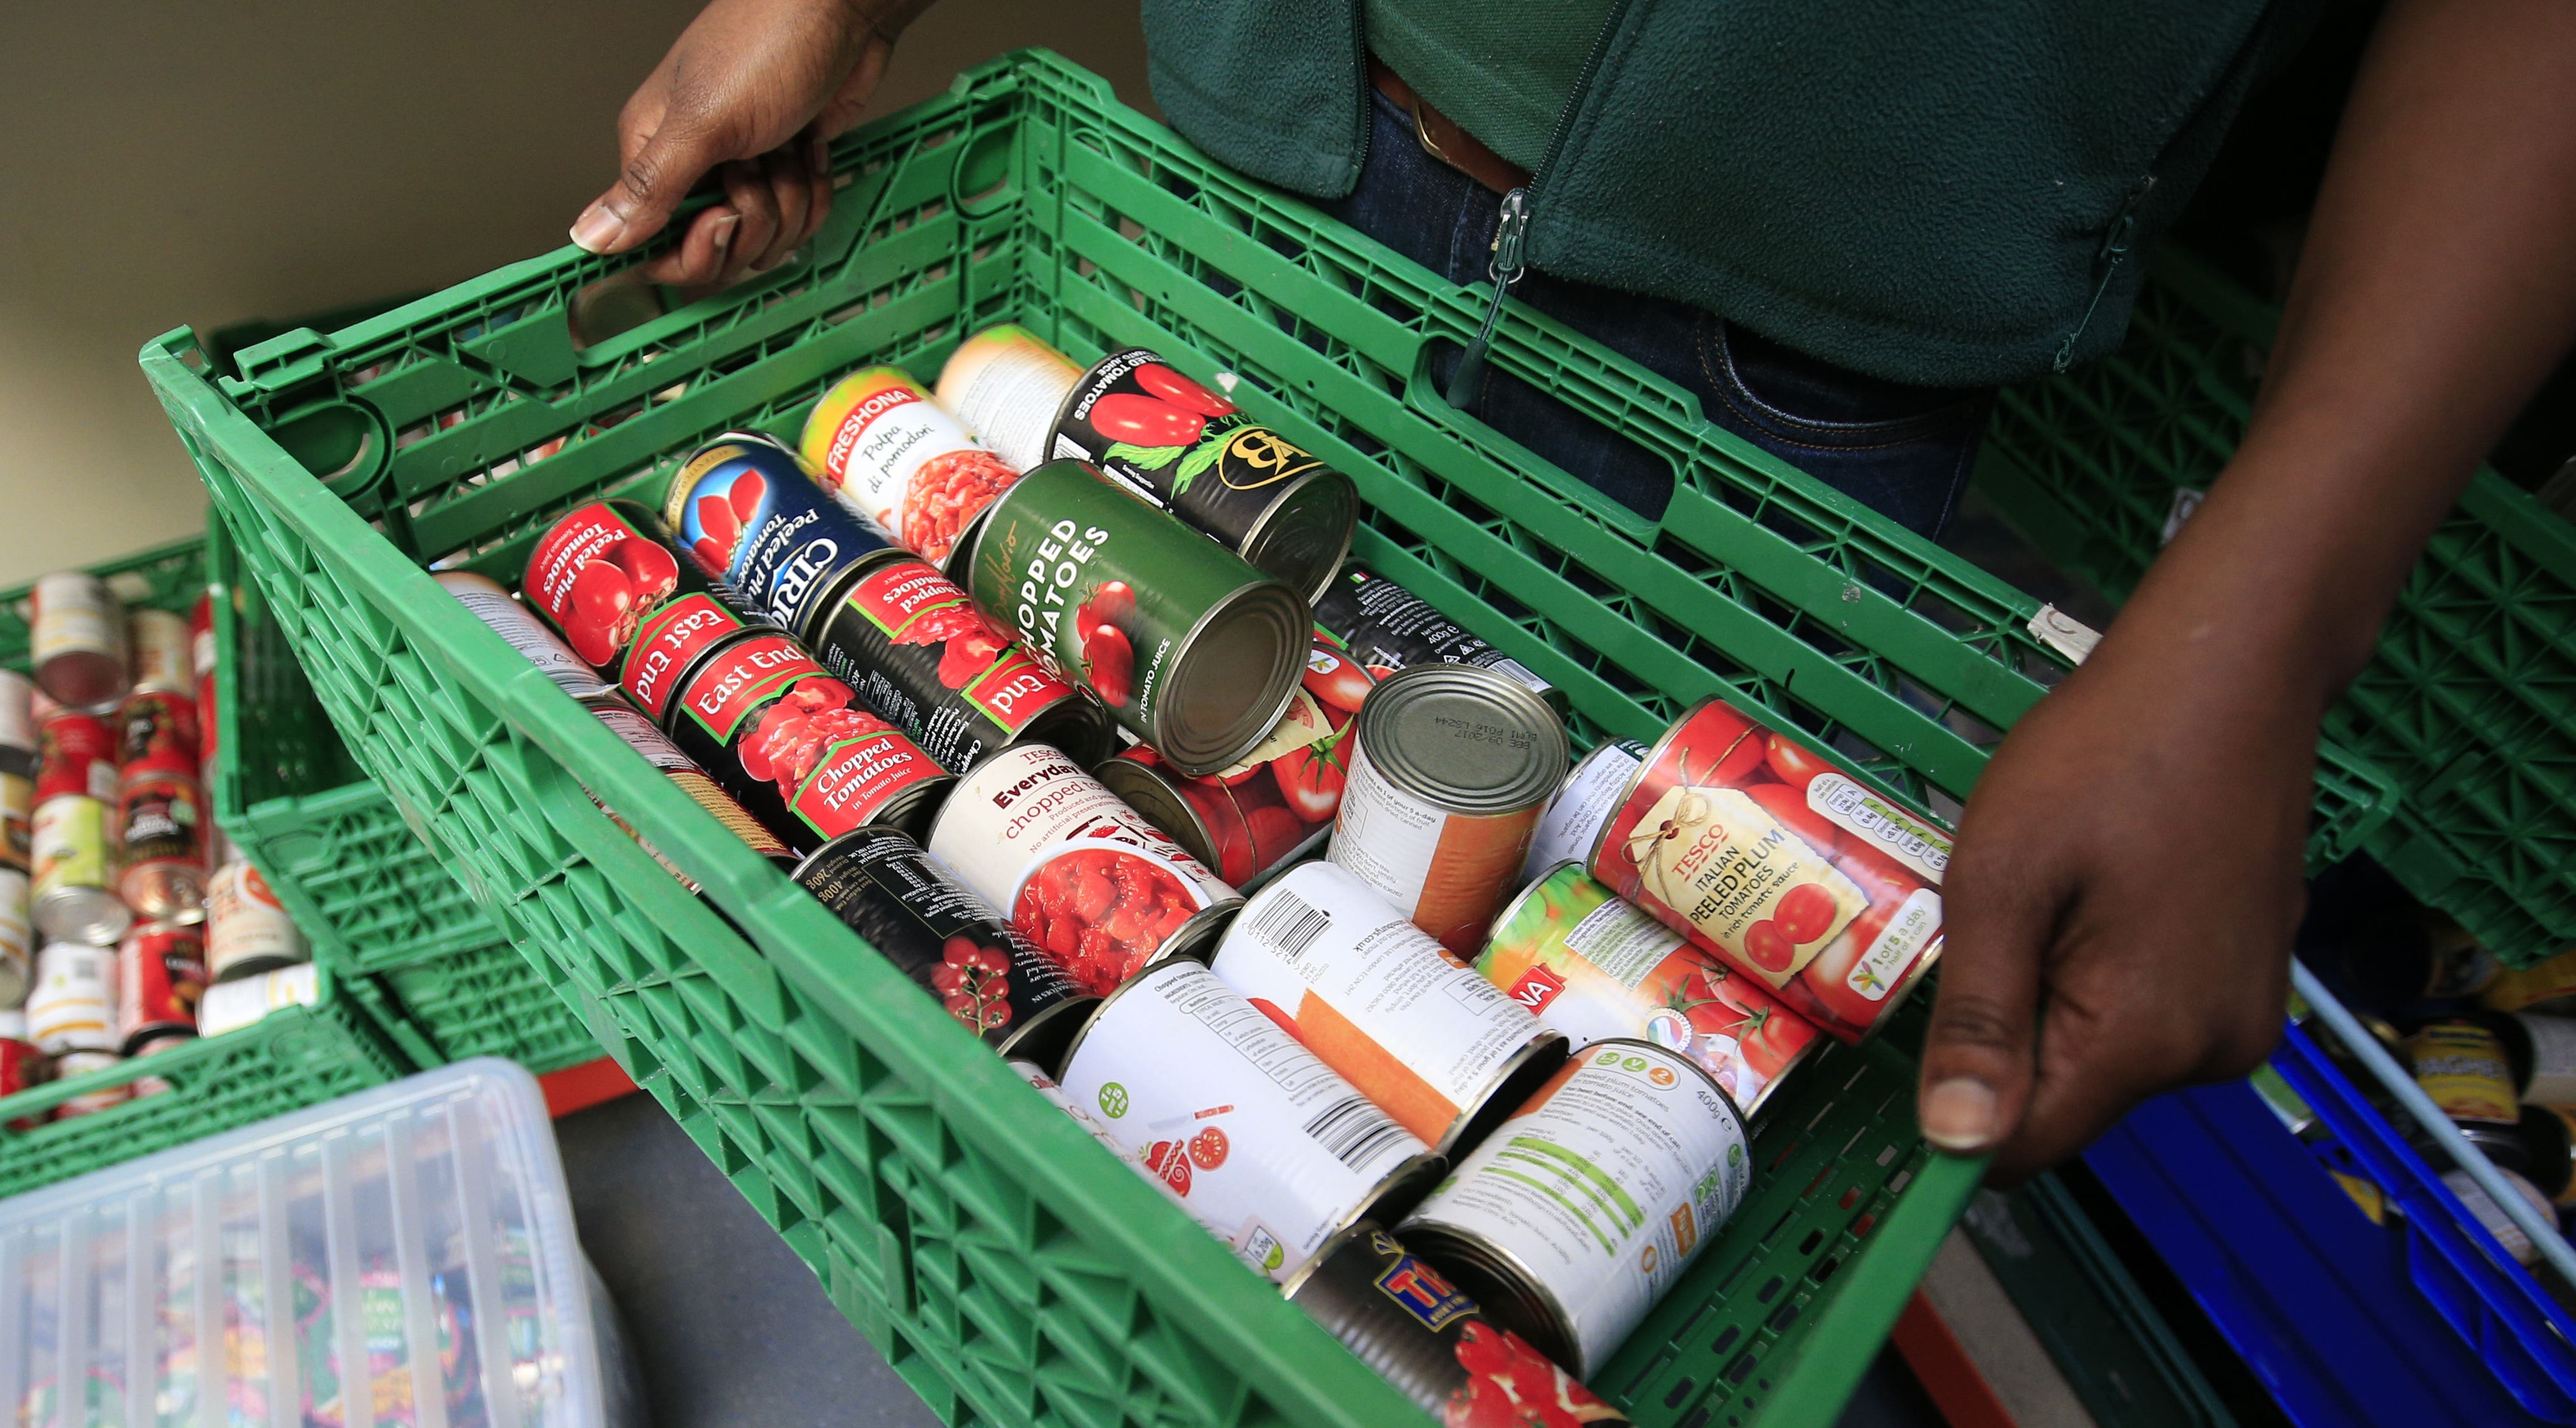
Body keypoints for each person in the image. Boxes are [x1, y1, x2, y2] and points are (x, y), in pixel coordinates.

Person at [568, 0, 2576, 1181]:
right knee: (1206, 810)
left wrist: (2263, 638)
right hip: (1269, 137)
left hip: (1819, 343)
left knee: (1619, 997)